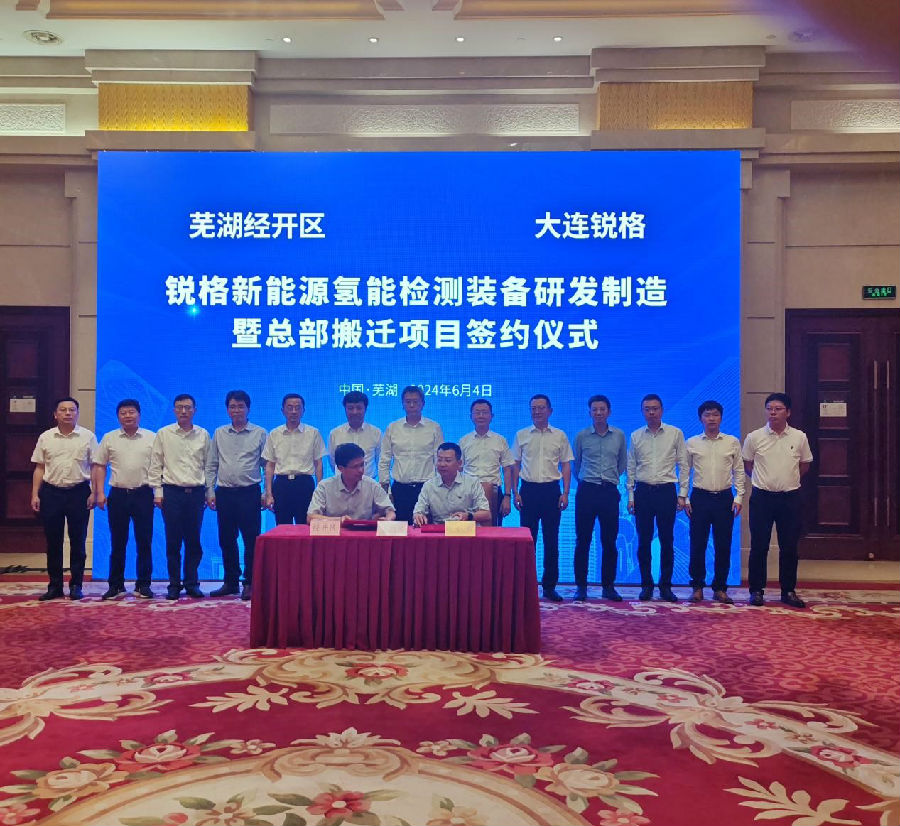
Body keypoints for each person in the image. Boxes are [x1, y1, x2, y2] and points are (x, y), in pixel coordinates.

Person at [742, 392, 813, 608]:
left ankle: (788, 590)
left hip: (790, 498)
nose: (773, 413)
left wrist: (787, 480)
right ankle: (756, 591)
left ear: (788, 412)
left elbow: (804, 465)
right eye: (769, 409)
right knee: (759, 546)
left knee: (789, 546)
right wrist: (764, 481)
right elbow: (747, 465)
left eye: (778, 409)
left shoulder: (799, 437)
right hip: (762, 498)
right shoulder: (754, 437)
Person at [30, 397, 97, 601]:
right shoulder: (46, 437)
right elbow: (39, 467)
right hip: (51, 493)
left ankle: (76, 585)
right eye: (63, 410)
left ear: (77, 413)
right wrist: (35, 493)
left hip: (79, 492)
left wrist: (95, 492)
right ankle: (55, 586)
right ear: (55, 414)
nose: (68, 413)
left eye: (72, 410)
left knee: (78, 540)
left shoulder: (88, 436)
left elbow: (95, 466)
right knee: (53, 541)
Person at [205, 390, 267, 601]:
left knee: (251, 540)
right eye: (232, 406)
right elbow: (212, 464)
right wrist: (210, 491)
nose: (237, 410)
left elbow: (267, 466)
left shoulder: (260, 433)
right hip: (224, 493)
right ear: (227, 410)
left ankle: (250, 582)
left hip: (250, 493)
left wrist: (267, 492)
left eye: (241, 406)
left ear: (248, 409)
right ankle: (230, 582)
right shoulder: (219, 433)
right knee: (226, 539)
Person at [626, 393, 688, 603]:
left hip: (666, 491)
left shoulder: (675, 433)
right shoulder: (636, 435)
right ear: (642, 412)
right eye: (647, 409)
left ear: (662, 410)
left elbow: (683, 465)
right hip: (643, 492)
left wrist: (682, 495)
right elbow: (631, 467)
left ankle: (666, 586)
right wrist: (631, 495)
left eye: (655, 408)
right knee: (643, 541)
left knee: (667, 540)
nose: (651, 412)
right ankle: (646, 585)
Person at [148, 393, 211, 600]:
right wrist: (158, 493)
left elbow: (208, 466)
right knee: (173, 541)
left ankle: (192, 583)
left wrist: (208, 492)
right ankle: (174, 584)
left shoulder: (203, 434)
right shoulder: (164, 433)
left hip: (196, 494)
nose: (184, 411)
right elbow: (156, 464)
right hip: (171, 493)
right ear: (174, 410)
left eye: (188, 407)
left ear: (195, 410)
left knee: (194, 541)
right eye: (179, 407)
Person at [511, 393, 573, 602]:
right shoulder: (521, 435)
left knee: (551, 540)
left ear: (550, 411)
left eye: (541, 407)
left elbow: (566, 465)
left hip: (551, 491)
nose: (537, 411)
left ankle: (549, 587)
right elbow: (515, 465)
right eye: (533, 408)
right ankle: (526, 586)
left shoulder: (560, 435)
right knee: (527, 542)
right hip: (528, 491)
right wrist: (515, 492)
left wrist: (565, 492)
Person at [92, 398, 156, 600]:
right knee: (117, 542)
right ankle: (116, 585)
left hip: (144, 494)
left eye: (131, 412)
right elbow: (99, 465)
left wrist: (159, 492)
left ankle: (143, 585)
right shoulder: (110, 438)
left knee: (144, 541)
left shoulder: (152, 437)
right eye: (123, 413)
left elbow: (159, 468)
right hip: (118, 495)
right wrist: (99, 492)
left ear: (139, 414)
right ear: (118, 416)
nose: (128, 416)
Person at [684, 400, 745, 604]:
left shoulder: (732, 442)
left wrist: (739, 496)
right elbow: (685, 471)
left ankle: (720, 588)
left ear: (721, 417)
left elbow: (739, 471)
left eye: (715, 414)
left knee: (723, 544)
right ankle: (697, 587)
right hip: (699, 498)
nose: (711, 418)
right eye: (707, 415)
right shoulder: (692, 442)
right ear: (700, 418)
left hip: (724, 498)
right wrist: (684, 497)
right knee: (697, 544)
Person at [572, 394, 627, 602]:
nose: (598, 413)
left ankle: (608, 586)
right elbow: (577, 465)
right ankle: (581, 587)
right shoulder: (581, 436)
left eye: (602, 409)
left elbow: (622, 464)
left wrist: (609, 479)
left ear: (609, 412)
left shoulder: (619, 435)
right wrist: (588, 481)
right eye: (594, 409)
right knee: (583, 540)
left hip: (609, 492)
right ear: (590, 412)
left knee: (609, 541)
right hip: (587, 491)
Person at [379, 385, 444, 524]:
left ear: (423, 403)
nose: (412, 405)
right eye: (408, 401)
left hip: (426, 488)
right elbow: (384, 460)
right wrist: (386, 491)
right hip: (400, 489)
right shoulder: (393, 428)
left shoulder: (434, 427)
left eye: (416, 401)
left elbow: (439, 460)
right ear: (402, 404)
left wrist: (439, 488)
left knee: (426, 530)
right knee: (400, 531)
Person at [263, 393, 325, 525]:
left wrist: (320, 491)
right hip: (281, 485)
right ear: (283, 410)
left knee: (306, 525)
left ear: (303, 410)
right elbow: (270, 465)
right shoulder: (274, 434)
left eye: (297, 407)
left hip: (304, 484)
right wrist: (268, 493)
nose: (294, 411)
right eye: (290, 407)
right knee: (282, 526)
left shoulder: (313, 433)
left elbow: (318, 463)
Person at [459, 398, 514, 526]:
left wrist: (507, 496)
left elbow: (507, 469)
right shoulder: (464, 441)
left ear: (491, 416)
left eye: (484, 412)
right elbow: (459, 469)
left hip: (494, 492)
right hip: (469, 492)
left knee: (493, 531)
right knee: (467, 529)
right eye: (477, 412)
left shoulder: (500, 440)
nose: (481, 416)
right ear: (471, 416)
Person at [308, 443, 396, 522]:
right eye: (355, 467)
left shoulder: (372, 485)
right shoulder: (325, 486)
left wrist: (388, 519)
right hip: (335, 533)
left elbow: (390, 511)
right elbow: (311, 517)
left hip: (363, 533)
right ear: (340, 468)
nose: (361, 470)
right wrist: (339, 520)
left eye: (362, 465)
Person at [413, 443, 491, 526]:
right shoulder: (429, 486)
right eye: (439, 460)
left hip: (466, 529)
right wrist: (418, 516)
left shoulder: (472, 483)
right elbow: (418, 511)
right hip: (439, 531)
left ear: (459, 463)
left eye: (448, 460)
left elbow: (486, 514)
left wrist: (468, 516)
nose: (442, 464)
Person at [328, 390, 382, 478]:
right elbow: (333, 462)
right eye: (350, 408)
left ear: (365, 409)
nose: (355, 412)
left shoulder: (376, 432)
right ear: (345, 409)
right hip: (342, 483)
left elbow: (380, 461)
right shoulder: (335, 433)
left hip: (368, 482)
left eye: (359, 408)